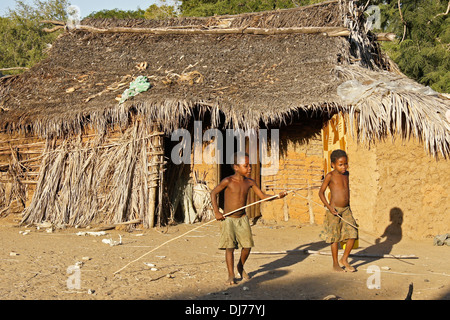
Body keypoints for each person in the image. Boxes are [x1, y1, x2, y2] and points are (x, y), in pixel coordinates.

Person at [211, 152, 287, 285]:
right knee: (230, 248)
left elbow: (263, 196)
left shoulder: (250, 182)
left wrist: (277, 196)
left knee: (247, 246)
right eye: (246, 166)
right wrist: (217, 212)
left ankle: (240, 266)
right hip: (228, 219)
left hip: (242, 218)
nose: (249, 168)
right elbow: (213, 193)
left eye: (250, 165)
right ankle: (231, 274)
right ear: (236, 167)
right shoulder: (228, 181)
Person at [318, 149, 358, 272]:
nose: (344, 167)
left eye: (345, 164)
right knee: (334, 237)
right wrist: (329, 207)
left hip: (346, 210)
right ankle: (335, 263)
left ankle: (344, 259)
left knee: (353, 233)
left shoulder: (347, 174)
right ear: (333, 165)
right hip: (334, 210)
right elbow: (321, 193)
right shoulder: (330, 176)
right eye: (340, 164)